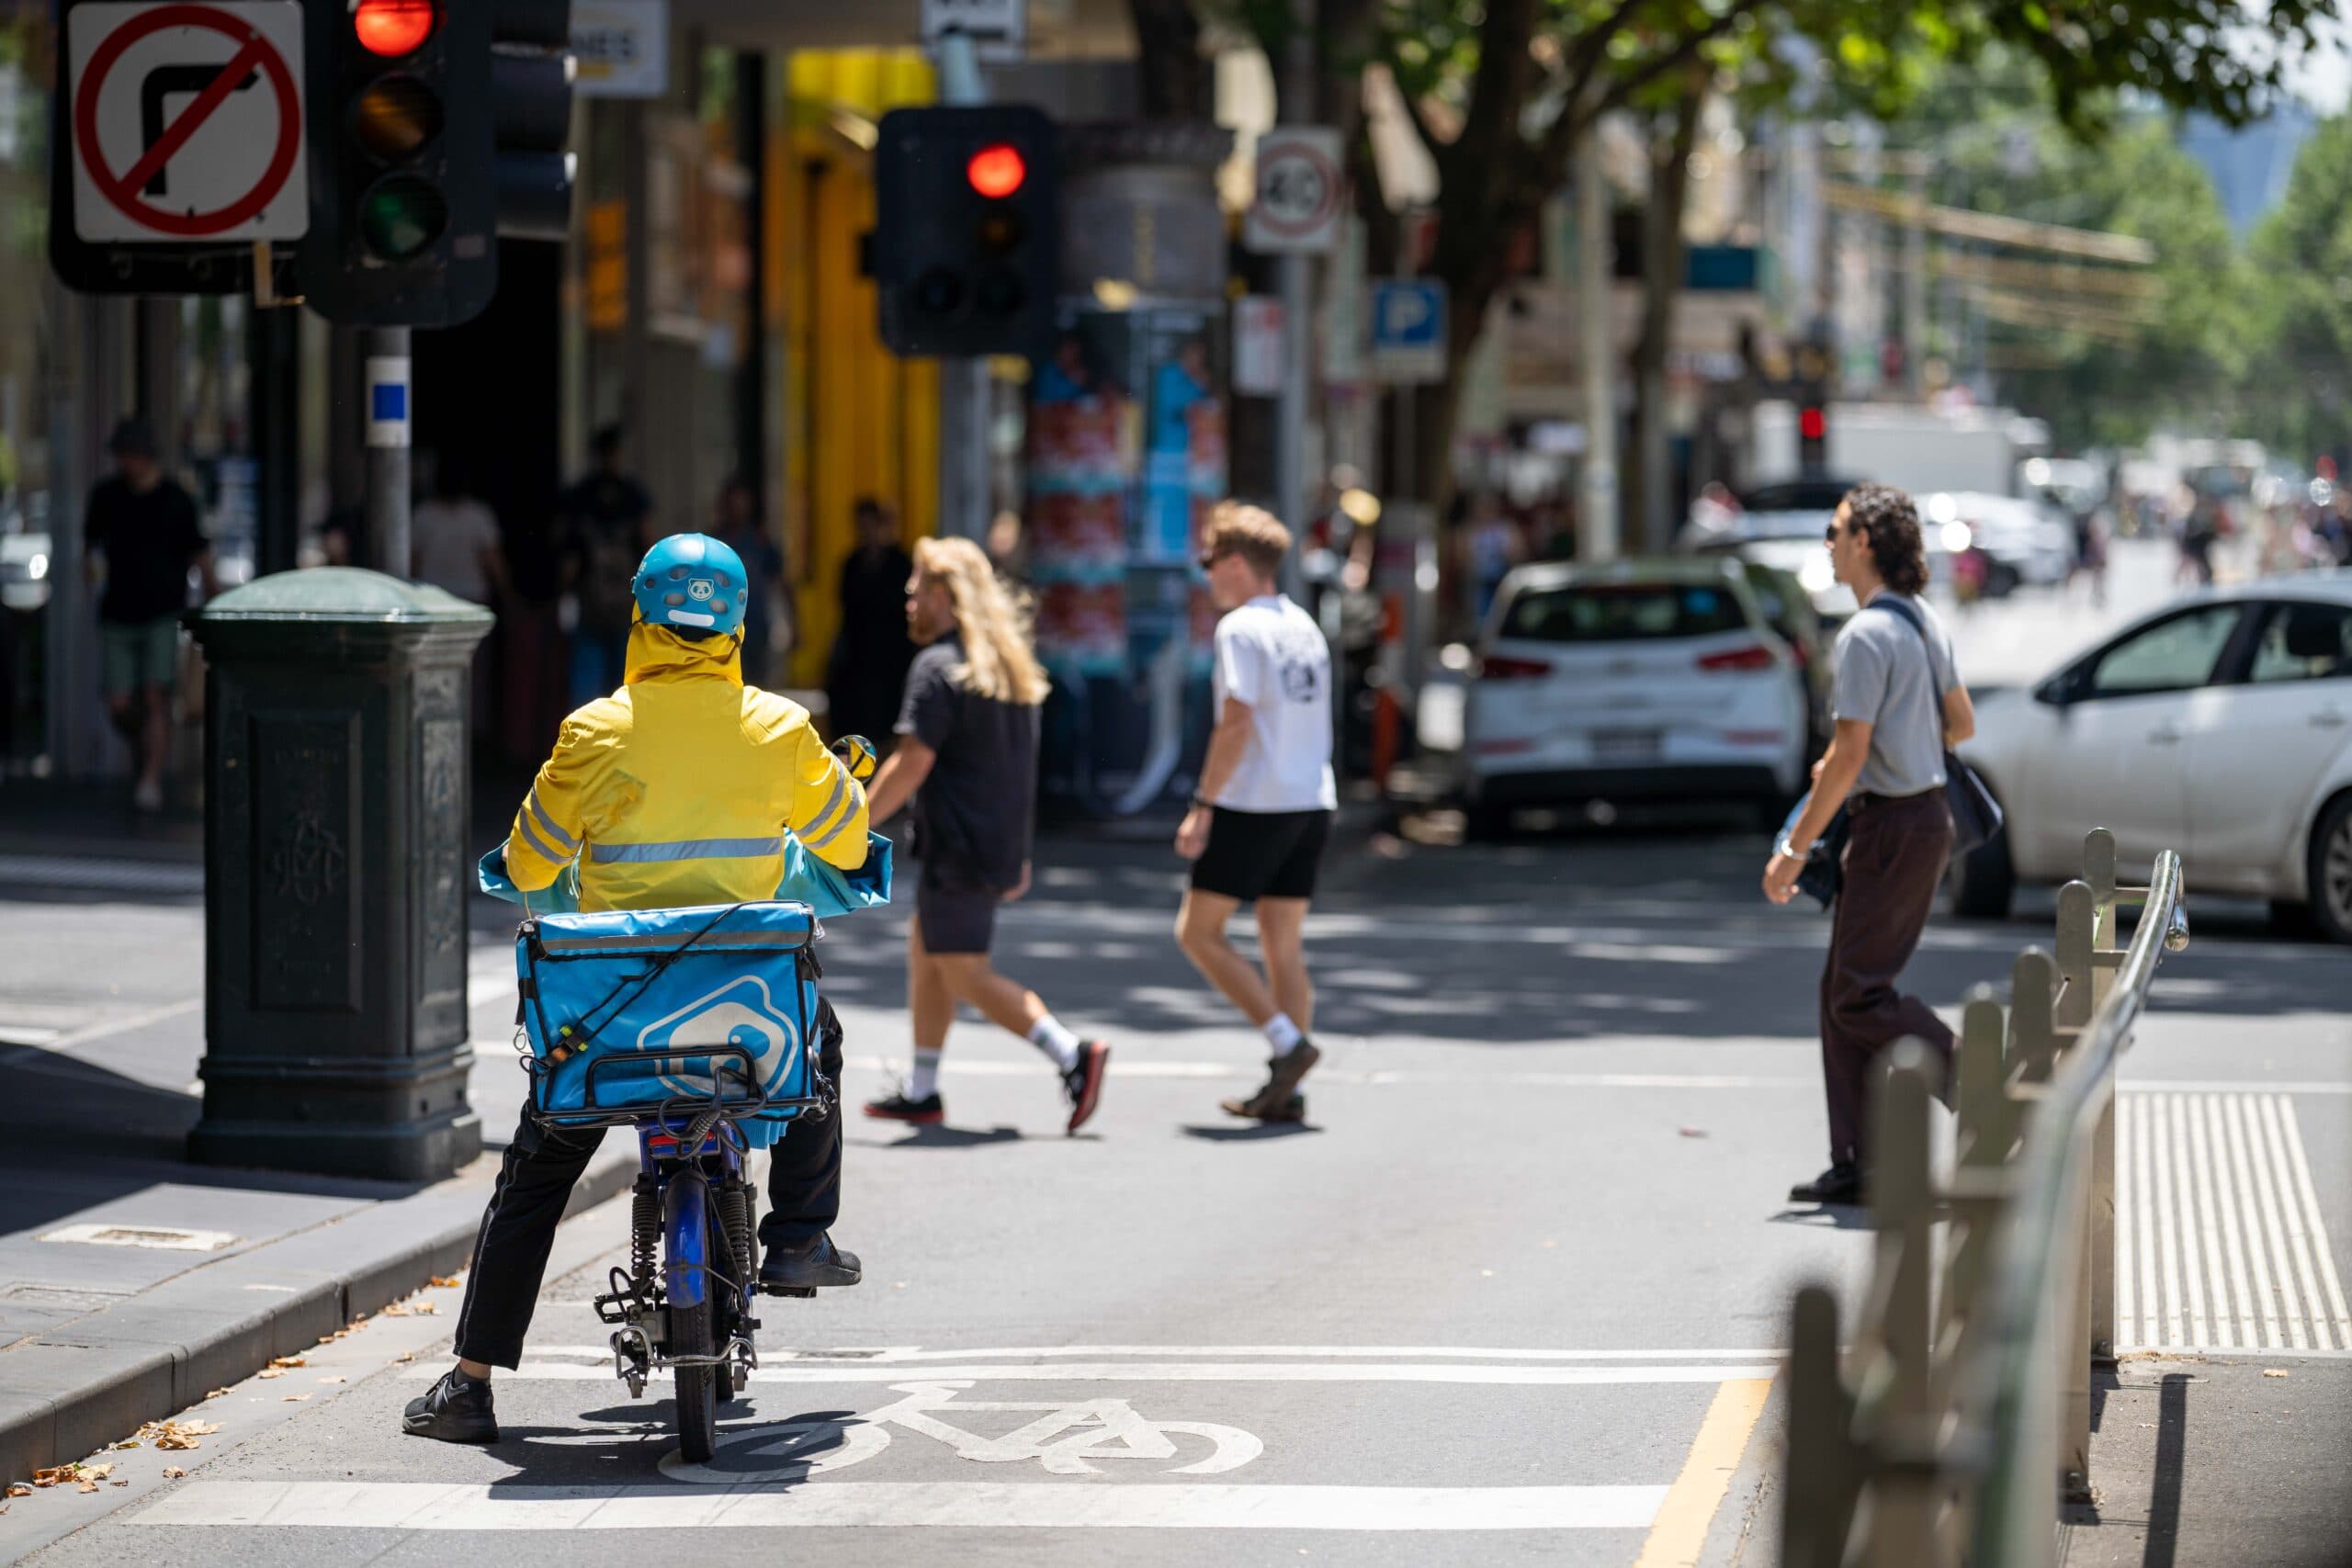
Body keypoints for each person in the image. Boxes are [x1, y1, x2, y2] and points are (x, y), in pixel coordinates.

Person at [402, 534, 872, 1446]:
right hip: (747, 1013)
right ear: (736, 625)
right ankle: (798, 1239)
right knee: (819, 1045)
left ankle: (469, 1385)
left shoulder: (594, 732)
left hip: (612, 1019)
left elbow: (531, 859)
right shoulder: (778, 729)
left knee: (534, 1177)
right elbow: (848, 849)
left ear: (640, 621)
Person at [1764, 484, 1975, 1206]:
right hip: (1922, 820)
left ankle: (1979, 1079)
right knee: (1840, 990)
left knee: (1857, 993)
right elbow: (1962, 723)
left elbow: (1848, 755)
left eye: (1835, 529)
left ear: (1865, 542)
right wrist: (1903, 744)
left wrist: (1794, 848)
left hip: (1890, 825)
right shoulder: (1921, 621)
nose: (1827, 541)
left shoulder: (1862, 636)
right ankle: (1858, 1160)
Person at [859, 536, 1112, 1134]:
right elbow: (1021, 768)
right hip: (988, 844)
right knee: (929, 955)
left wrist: (851, 822)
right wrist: (1018, 851)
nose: (909, 598)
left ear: (945, 595)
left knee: (964, 970)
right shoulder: (1001, 666)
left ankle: (1072, 1054)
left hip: (958, 847)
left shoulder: (936, 666)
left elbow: (911, 762)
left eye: (918, 588)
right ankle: (922, 1088)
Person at [1174, 503, 1336, 1123]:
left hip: (1254, 801)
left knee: (1197, 932)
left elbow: (1236, 717)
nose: (1207, 573)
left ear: (1238, 563)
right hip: (1308, 798)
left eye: (1211, 561)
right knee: (1281, 943)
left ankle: (1287, 1044)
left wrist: (1203, 804)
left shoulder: (1240, 627)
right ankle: (1286, 1087)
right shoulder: (1303, 624)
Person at [84, 417, 213, 813]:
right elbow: (90, 551)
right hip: (118, 612)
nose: (126, 463)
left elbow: (198, 553)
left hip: (162, 611)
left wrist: (214, 598)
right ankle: (147, 751)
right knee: (119, 702)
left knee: (157, 695)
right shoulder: (107, 496)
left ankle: (151, 776)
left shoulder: (175, 499)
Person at [557, 423, 655, 705]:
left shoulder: (589, 494)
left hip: (609, 601)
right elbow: (650, 546)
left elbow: (569, 554)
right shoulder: (626, 494)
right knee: (619, 679)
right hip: (610, 601)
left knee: (596, 681)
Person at [826, 497, 915, 746]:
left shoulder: (900, 563)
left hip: (892, 654)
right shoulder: (852, 564)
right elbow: (845, 610)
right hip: (859, 653)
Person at [710, 478, 786, 686]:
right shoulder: (714, 541)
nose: (737, 508)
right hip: (722, 624)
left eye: (742, 503)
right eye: (732, 503)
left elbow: (778, 579)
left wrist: (789, 620)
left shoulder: (760, 540)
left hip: (755, 622)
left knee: (756, 681)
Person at [411, 457, 507, 607]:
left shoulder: (477, 514)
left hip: (469, 596)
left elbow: (492, 558)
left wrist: (507, 596)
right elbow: (414, 560)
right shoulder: (424, 515)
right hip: (434, 597)